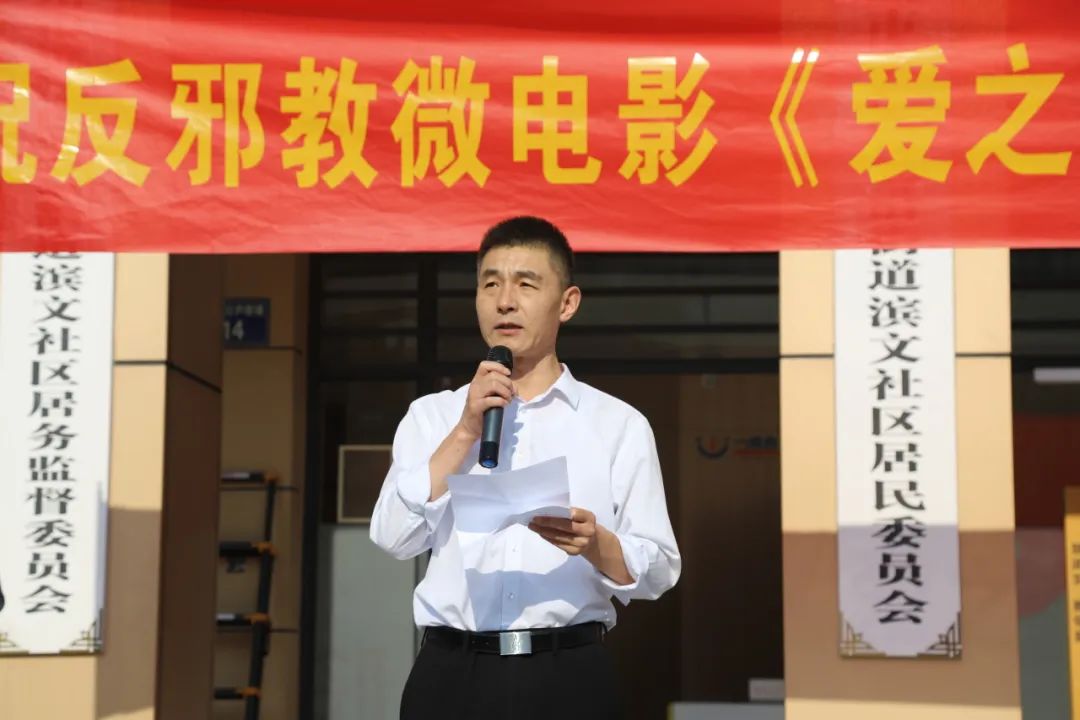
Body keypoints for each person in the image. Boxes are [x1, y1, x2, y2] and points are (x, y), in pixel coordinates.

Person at [370, 216, 681, 720]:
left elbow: (661, 568)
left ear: (567, 303)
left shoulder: (617, 425)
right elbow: (392, 537)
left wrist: (598, 545)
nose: (505, 301)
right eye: (490, 284)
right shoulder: (432, 417)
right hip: (451, 673)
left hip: (568, 673)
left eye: (526, 284)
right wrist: (465, 431)